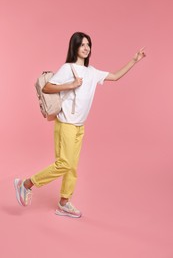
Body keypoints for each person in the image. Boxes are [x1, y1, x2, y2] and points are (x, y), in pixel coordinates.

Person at [14, 32, 146, 218]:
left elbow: (115, 76)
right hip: (66, 123)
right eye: (82, 44)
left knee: (72, 167)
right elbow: (47, 87)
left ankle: (64, 203)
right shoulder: (68, 68)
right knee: (64, 163)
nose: (86, 48)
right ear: (74, 47)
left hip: (79, 126)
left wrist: (134, 61)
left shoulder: (92, 72)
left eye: (88, 44)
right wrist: (71, 85)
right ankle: (26, 184)